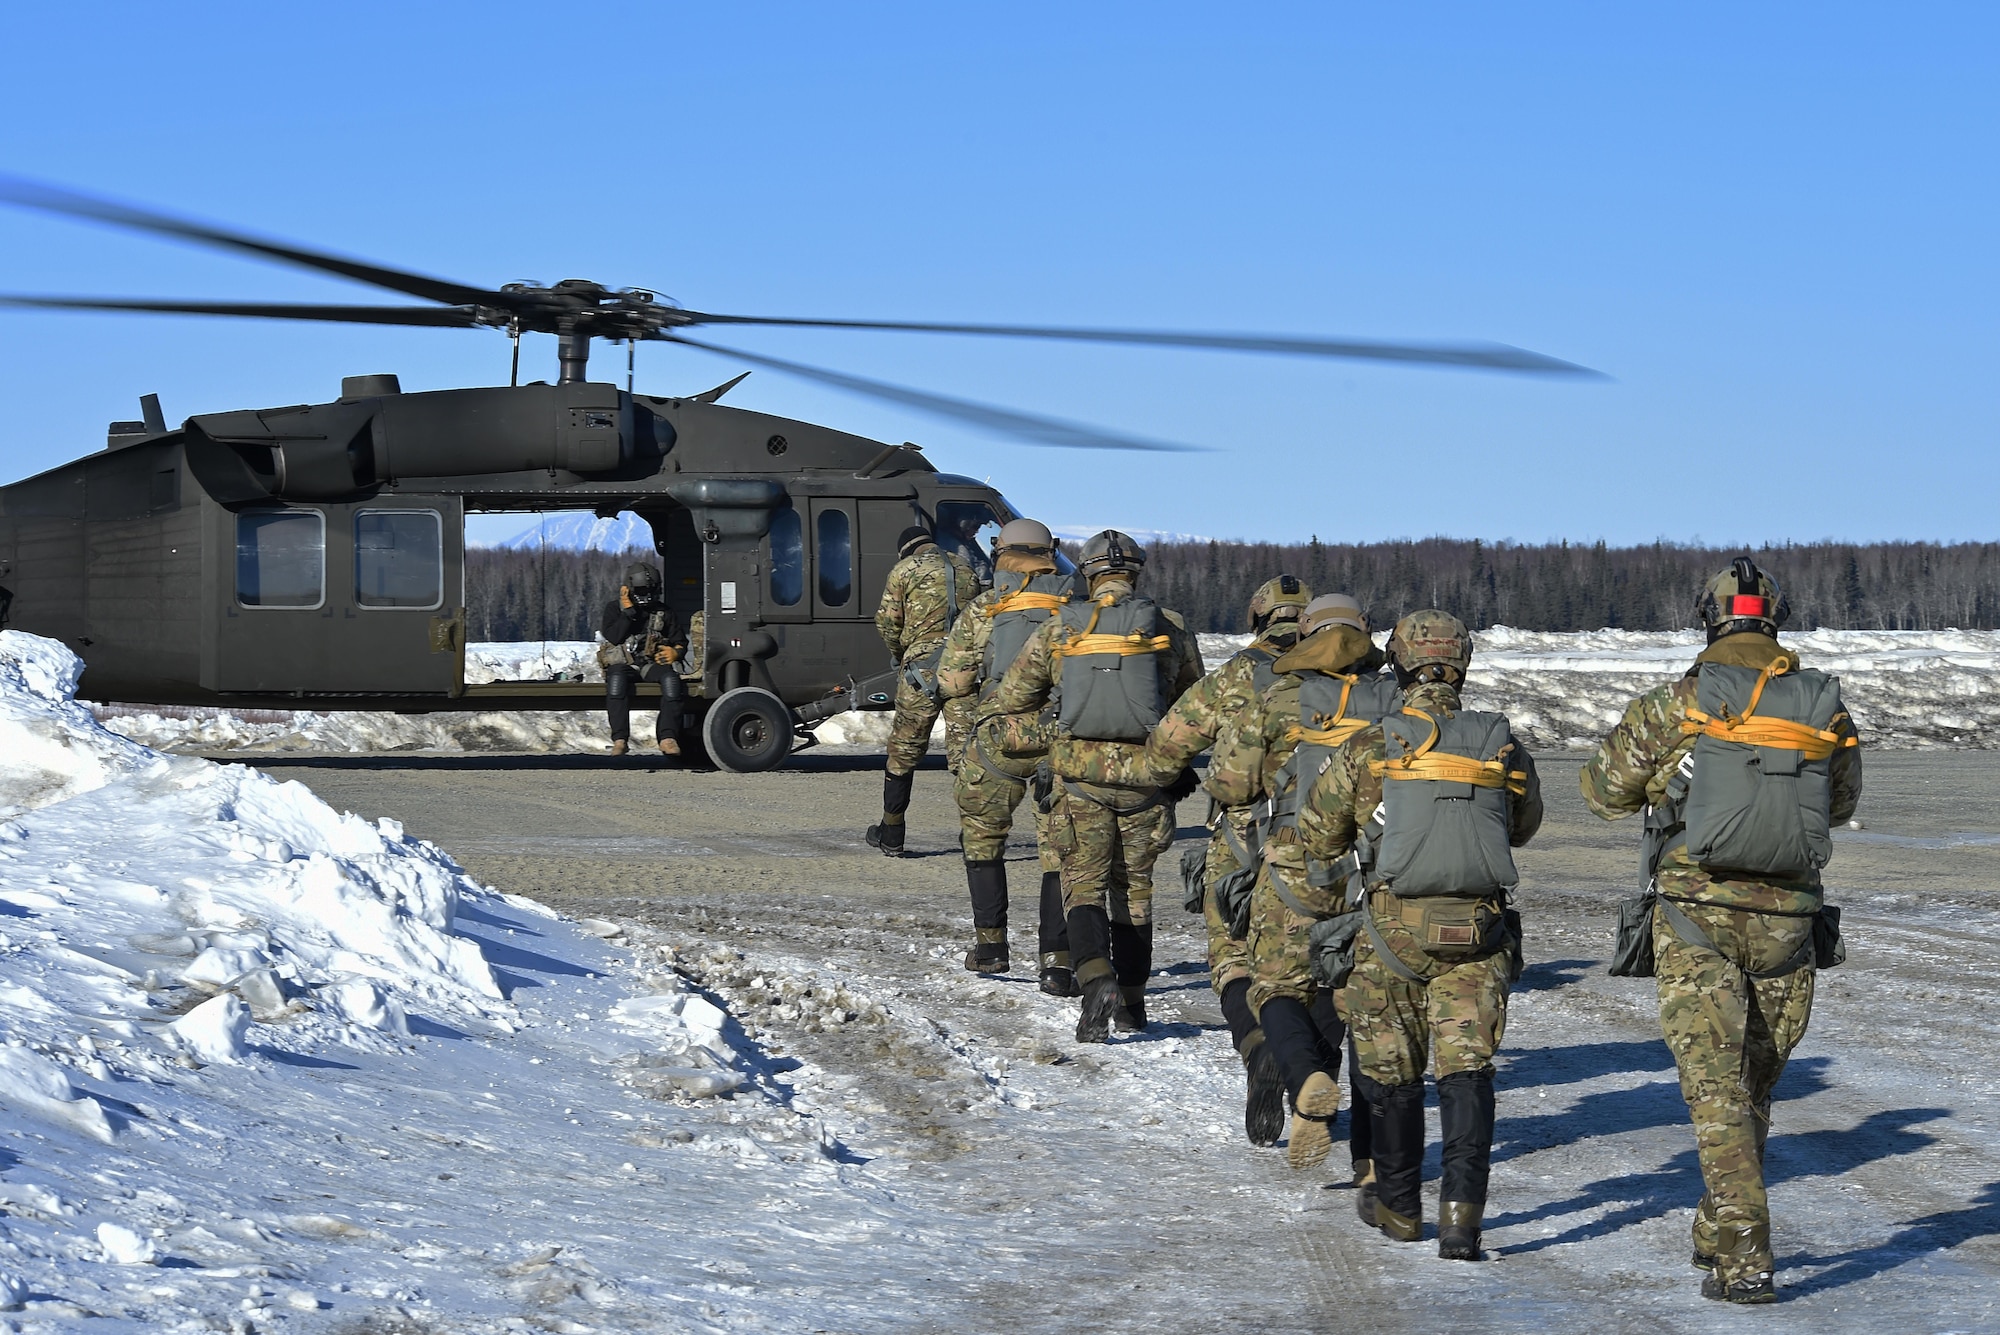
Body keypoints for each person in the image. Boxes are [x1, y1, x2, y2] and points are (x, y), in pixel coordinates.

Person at [1581, 559, 1861, 1304]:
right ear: (1775, 616)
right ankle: (1716, 1224)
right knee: (1750, 1089)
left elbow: (1602, 790)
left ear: (1709, 617)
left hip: (1695, 915)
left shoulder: (1678, 702)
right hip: (1790, 922)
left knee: (1715, 1094)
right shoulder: (1823, 706)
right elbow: (1838, 802)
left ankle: (1744, 1255)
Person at [1298, 610, 1542, 1261]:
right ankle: (1462, 1219)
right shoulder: (1500, 743)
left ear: (1399, 663)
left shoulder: (1370, 745)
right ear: (1462, 664)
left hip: (1391, 938)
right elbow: (1522, 824)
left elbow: (1318, 832)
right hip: (1479, 938)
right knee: (1466, 1072)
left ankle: (1401, 1207)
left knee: (1392, 1075)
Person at [985, 530, 1203, 1042]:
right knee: (1136, 892)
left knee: (1081, 884)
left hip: (1078, 777)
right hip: (1147, 776)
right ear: (1136, 572)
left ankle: (1095, 979)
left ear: (1086, 573)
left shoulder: (1064, 626)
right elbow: (1195, 704)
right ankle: (1131, 1002)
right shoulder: (1168, 626)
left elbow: (1014, 694)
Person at [1140, 574, 1315, 1145]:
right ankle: (1313, 1070)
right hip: (1329, 839)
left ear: (1259, 618)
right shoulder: (1352, 675)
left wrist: (1167, 785)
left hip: (1244, 832)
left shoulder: (1238, 673)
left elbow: (1169, 742)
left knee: (1233, 955)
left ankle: (1256, 1045)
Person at [1233, 594, 1398, 1175]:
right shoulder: (1396, 699)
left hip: (1294, 865)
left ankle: (1306, 1080)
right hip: (1377, 869)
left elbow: (1231, 780)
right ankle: (1370, 1156)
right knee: (1354, 997)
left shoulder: (1280, 697)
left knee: (1275, 988)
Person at [936, 519, 1084, 990]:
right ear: (1050, 553)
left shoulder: (987, 608)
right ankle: (1057, 962)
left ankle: (990, 947)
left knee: (982, 838)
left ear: (1001, 553)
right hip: (1060, 737)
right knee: (1057, 851)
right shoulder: (1078, 610)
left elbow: (953, 682)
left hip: (998, 735)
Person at [865, 524, 981, 856]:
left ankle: (892, 832)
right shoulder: (964, 567)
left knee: (904, 752)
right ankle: (973, 836)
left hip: (919, 671)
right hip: (963, 668)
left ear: (906, 550)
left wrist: (902, 654)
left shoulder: (904, 570)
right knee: (966, 755)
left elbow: (887, 622)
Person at [599, 562, 688, 758]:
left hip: (650, 665)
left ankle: (667, 737)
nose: (646, 594)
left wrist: (676, 652)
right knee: (616, 682)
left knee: (672, 681)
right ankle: (620, 739)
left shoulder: (663, 612)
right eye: (641, 590)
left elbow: (680, 641)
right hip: (623, 665)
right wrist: (628, 614)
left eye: (650, 590)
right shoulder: (615, 609)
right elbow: (614, 636)